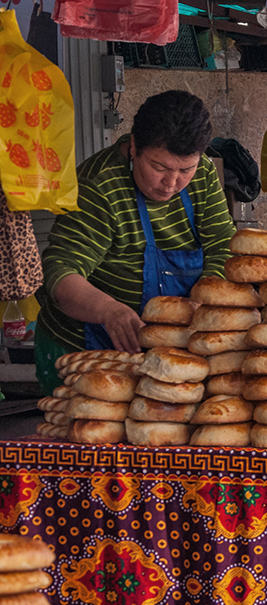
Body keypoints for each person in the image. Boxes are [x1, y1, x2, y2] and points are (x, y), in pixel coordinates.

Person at [35, 90, 236, 392]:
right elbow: (61, 272)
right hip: (85, 352)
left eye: (185, 170)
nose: (172, 183)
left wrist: (204, 299)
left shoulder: (204, 174)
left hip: (173, 354)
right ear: (133, 147)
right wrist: (108, 310)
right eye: (159, 167)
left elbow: (224, 246)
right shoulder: (100, 186)